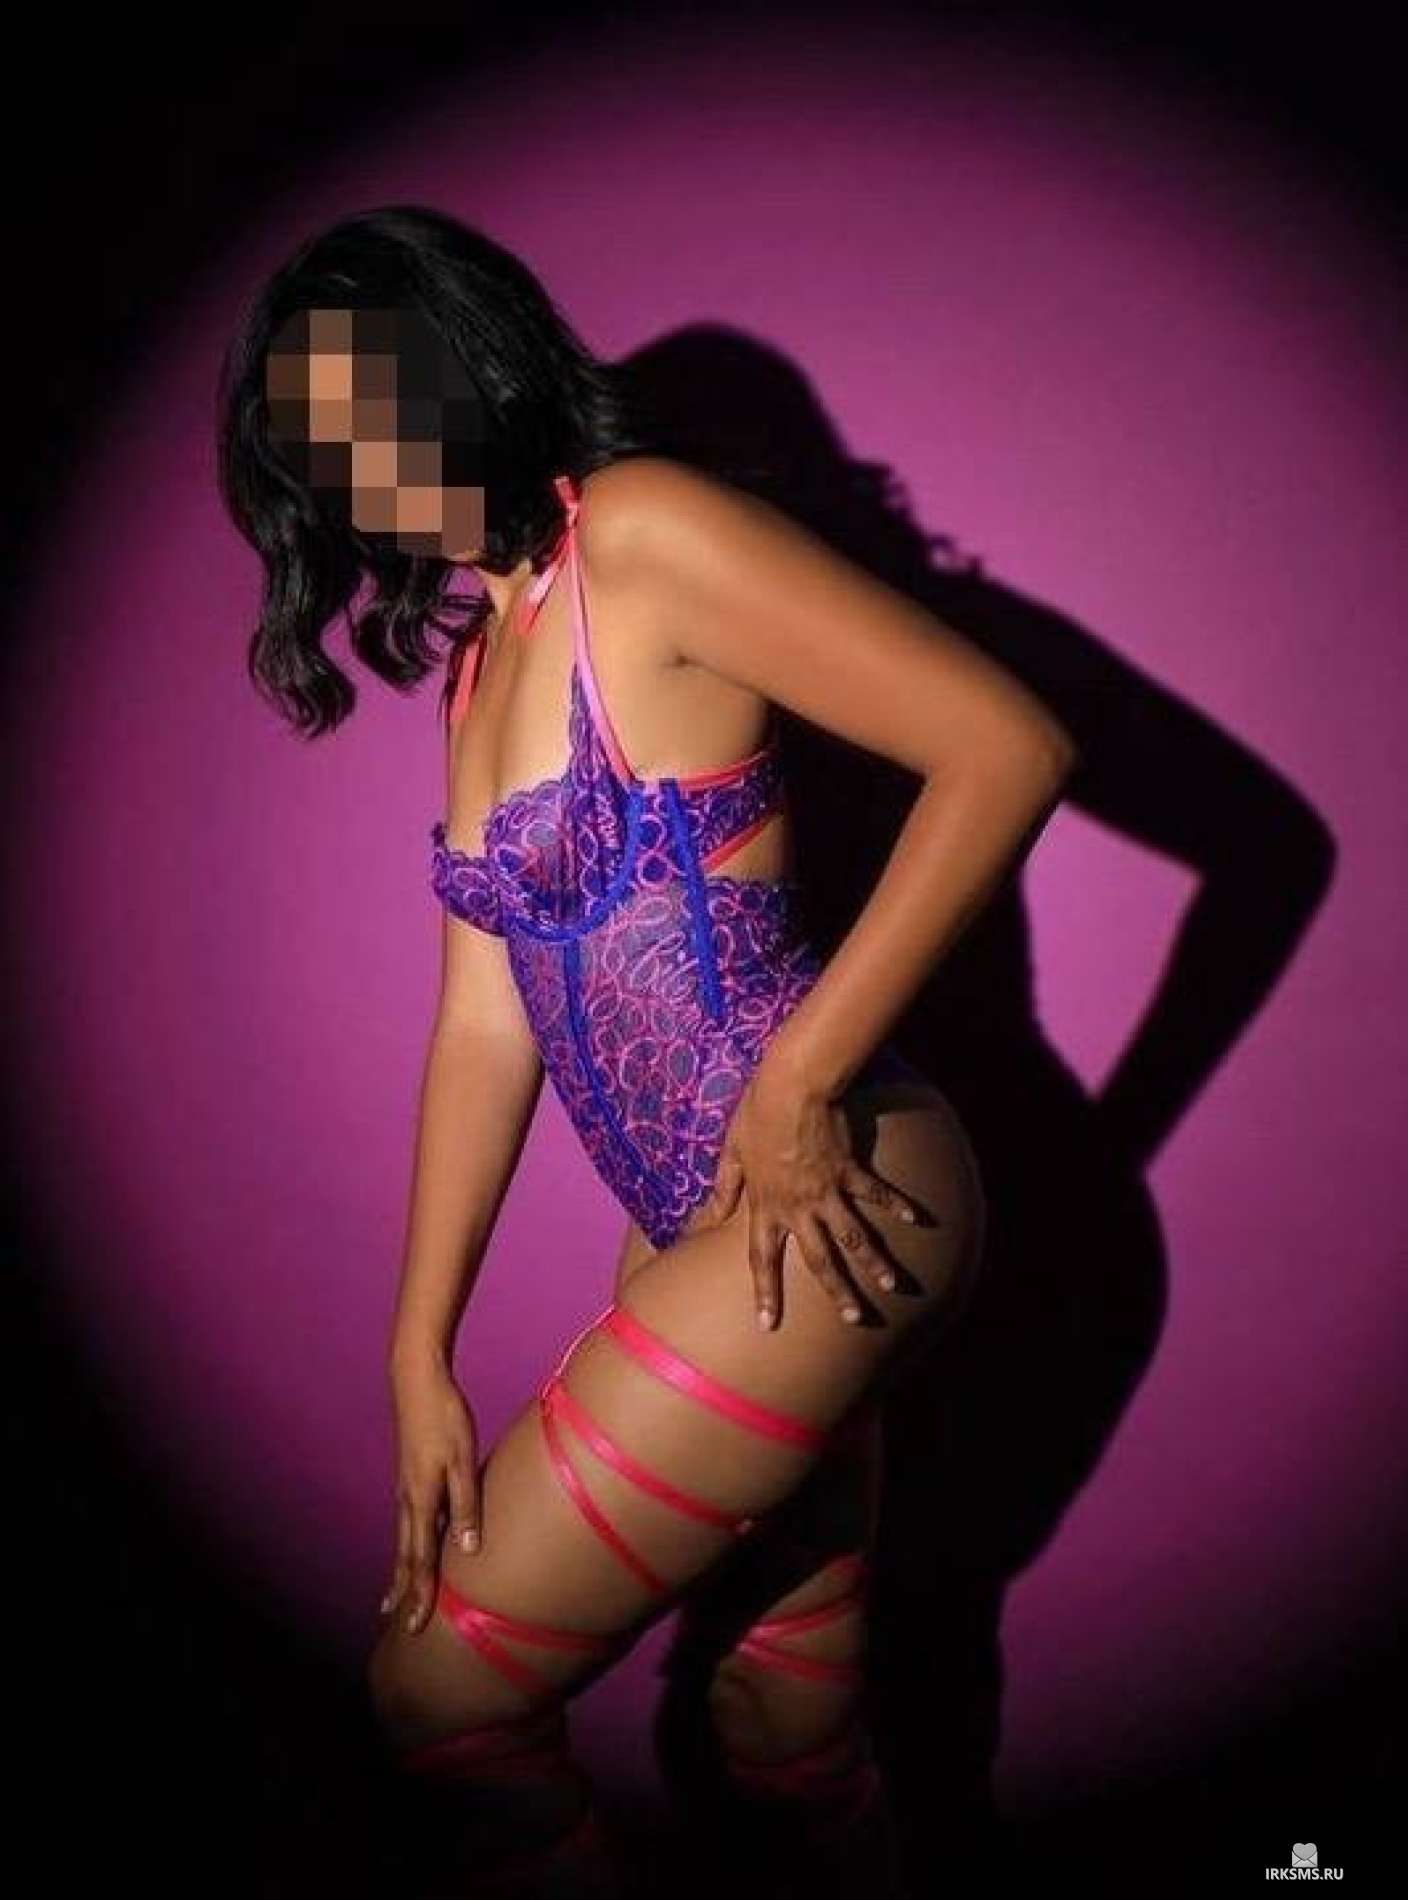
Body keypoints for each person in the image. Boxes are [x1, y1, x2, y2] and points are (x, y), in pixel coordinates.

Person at [217, 204, 1078, 1897]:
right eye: (319, 446)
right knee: (780, 1729)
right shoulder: (478, 665)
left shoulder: (641, 530)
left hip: (836, 1189)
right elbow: (483, 1026)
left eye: (380, 404)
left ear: (467, 356)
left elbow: (1006, 747)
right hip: (695, 1230)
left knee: (443, 1696)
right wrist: (416, 1348)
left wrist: (801, 1079)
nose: (361, 468)